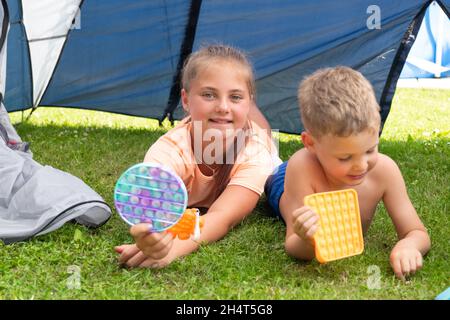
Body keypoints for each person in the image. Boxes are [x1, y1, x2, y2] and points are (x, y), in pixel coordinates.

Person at [115, 44, 281, 268]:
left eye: (235, 97)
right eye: (208, 94)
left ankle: (249, 110)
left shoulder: (257, 153)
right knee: (232, 116)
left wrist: (174, 249)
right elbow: (152, 206)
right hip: (222, 135)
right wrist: (154, 238)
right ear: (185, 100)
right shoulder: (169, 150)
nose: (222, 107)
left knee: (265, 135)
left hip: (258, 145)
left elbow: (223, 216)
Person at [265, 66, 430, 280]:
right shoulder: (302, 167)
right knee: (270, 175)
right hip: (284, 180)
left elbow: (417, 232)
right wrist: (307, 238)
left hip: (315, 169)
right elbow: (295, 248)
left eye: (370, 150)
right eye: (345, 157)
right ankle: (265, 157)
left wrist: (409, 245)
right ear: (311, 143)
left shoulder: (384, 171)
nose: (361, 166)